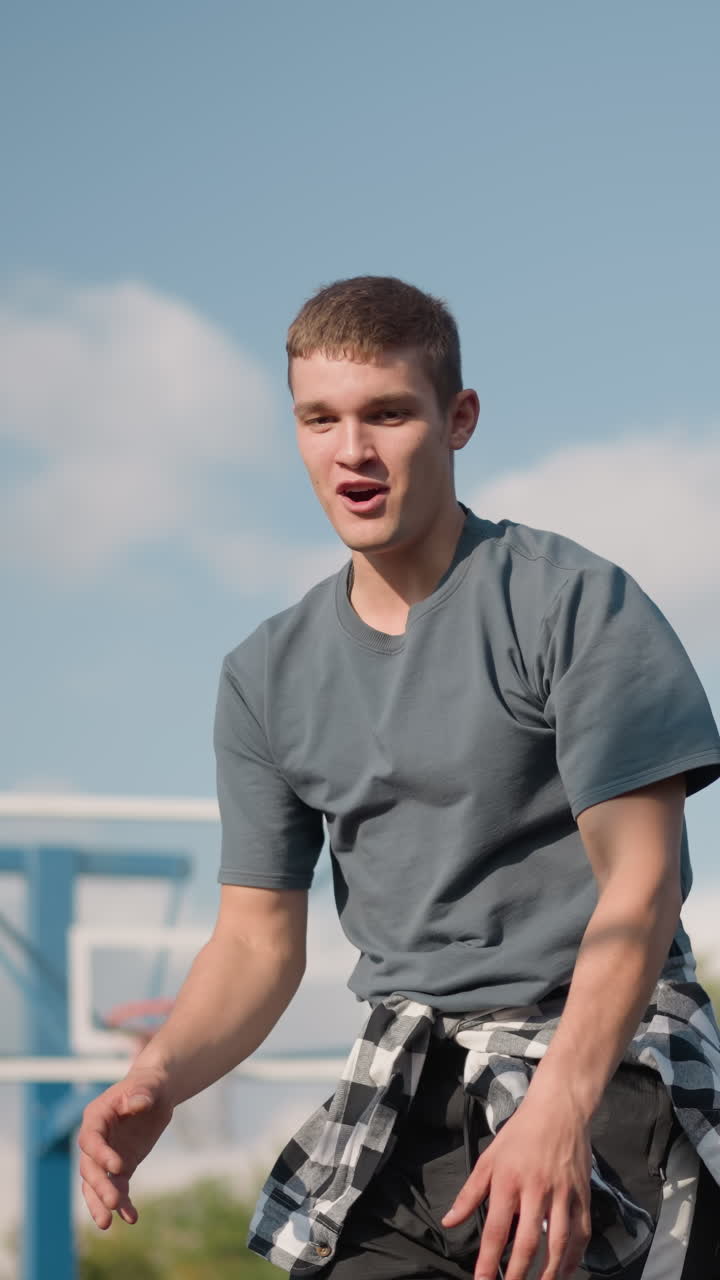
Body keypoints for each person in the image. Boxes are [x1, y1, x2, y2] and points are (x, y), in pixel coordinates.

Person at [78, 277, 720, 1279]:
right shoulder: (265, 675)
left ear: (458, 418)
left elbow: (642, 888)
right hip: (407, 1095)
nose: (353, 451)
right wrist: (158, 1078)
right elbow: (253, 941)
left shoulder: (573, 607)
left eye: (387, 413)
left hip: (605, 1075)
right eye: (320, 419)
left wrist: (558, 1105)